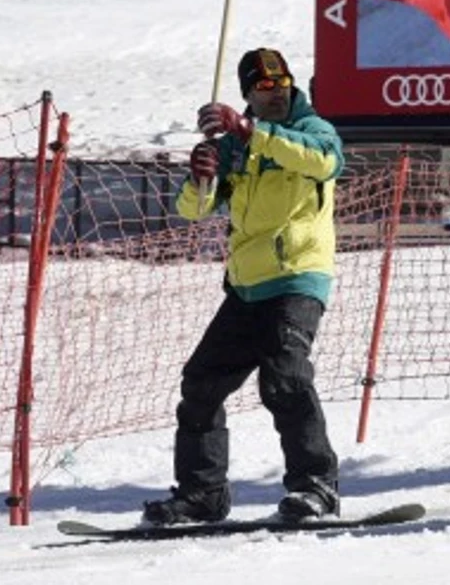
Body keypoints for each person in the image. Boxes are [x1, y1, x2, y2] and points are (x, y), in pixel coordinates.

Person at [142, 48, 346, 525]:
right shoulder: (234, 144)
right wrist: (202, 177)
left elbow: (324, 163)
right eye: (263, 89)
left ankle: (316, 485)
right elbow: (193, 210)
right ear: (248, 94)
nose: (276, 96)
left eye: (282, 86)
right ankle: (202, 494)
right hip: (247, 285)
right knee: (201, 384)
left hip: (297, 275)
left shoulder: (313, 130)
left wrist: (252, 131)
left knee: (285, 376)